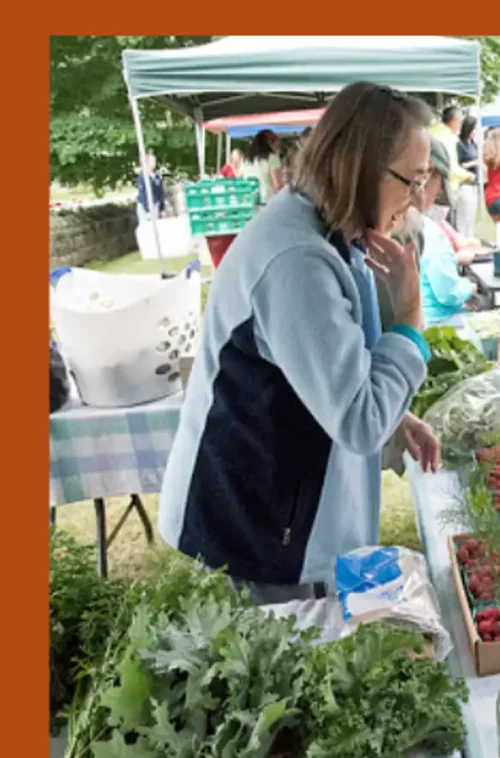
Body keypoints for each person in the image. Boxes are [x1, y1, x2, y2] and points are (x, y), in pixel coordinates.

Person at [157, 82, 440, 605]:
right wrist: (409, 317)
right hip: (258, 523)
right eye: (412, 180)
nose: (417, 199)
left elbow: (323, 366)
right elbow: (357, 420)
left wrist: (396, 416)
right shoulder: (297, 259)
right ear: (362, 167)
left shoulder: (324, 224)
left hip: (277, 503)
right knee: (280, 668)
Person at [414, 138, 479, 328]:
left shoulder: (416, 226)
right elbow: (447, 292)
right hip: (436, 322)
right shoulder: (430, 233)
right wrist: (470, 287)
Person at [428, 106, 473, 228]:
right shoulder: (446, 137)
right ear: (454, 120)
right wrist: (469, 176)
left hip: (429, 191)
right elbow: (450, 167)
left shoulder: (432, 131)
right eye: (460, 121)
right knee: (448, 229)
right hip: (444, 191)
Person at [456, 115, 482, 238]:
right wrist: (474, 163)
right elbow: (457, 165)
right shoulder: (459, 144)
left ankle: (470, 238)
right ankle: (462, 239)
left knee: (471, 216)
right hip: (464, 183)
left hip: (474, 183)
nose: (475, 132)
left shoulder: (473, 144)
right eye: (473, 129)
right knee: (463, 217)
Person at [245, 129, 284, 205]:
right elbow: (278, 186)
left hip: (249, 202)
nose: (277, 147)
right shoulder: (272, 158)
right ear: (270, 144)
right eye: (277, 144)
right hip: (267, 202)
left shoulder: (246, 161)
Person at [135, 151, 166, 221]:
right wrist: (147, 210)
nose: (154, 162)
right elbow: (142, 194)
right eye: (152, 161)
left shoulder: (156, 176)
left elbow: (160, 193)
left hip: (155, 205)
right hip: (145, 208)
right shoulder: (142, 176)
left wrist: (162, 208)